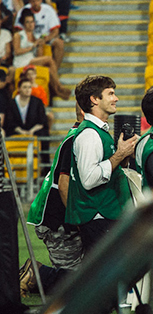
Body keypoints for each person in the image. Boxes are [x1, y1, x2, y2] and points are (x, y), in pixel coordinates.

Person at [65, 75, 138, 254]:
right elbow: (89, 179)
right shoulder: (89, 134)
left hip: (104, 216)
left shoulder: (98, 131)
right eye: (111, 94)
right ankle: (40, 275)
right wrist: (120, 154)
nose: (116, 98)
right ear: (94, 99)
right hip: (98, 218)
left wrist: (124, 156)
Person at [19, 104, 84, 297]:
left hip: (60, 216)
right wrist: (79, 222)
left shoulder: (79, 135)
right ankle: (36, 273)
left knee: (83, 276)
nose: (115, 99)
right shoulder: (77, 139)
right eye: (109, 94)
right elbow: (64, 186)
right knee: (74, 286)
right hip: (56, 220)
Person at [13, 9, 70, 100]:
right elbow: (16, 51)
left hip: (32, 60)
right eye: (28, 22)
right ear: (24, 24)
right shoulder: (18, 35)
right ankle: (59, 86)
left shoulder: (35, 36)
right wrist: (32, 47)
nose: (30, 24)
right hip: (21, 61)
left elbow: (39, 56)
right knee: (49, 59)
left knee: (49, 70)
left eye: (32, 22)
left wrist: (40, 45)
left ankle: (57, 91)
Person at [14, 0, 65, 69]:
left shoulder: (49, 10)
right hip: (30, 40)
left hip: (47, 38)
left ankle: (54, 70)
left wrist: (45, 39)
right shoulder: (24, 11)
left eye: (37, 1)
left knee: (59, 43)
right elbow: (18, 30)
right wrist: (33, 42)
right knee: (39, 46)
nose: (35, 3)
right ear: (29, 1)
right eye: (33, 1)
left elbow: (56, 31)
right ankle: (42, 70)